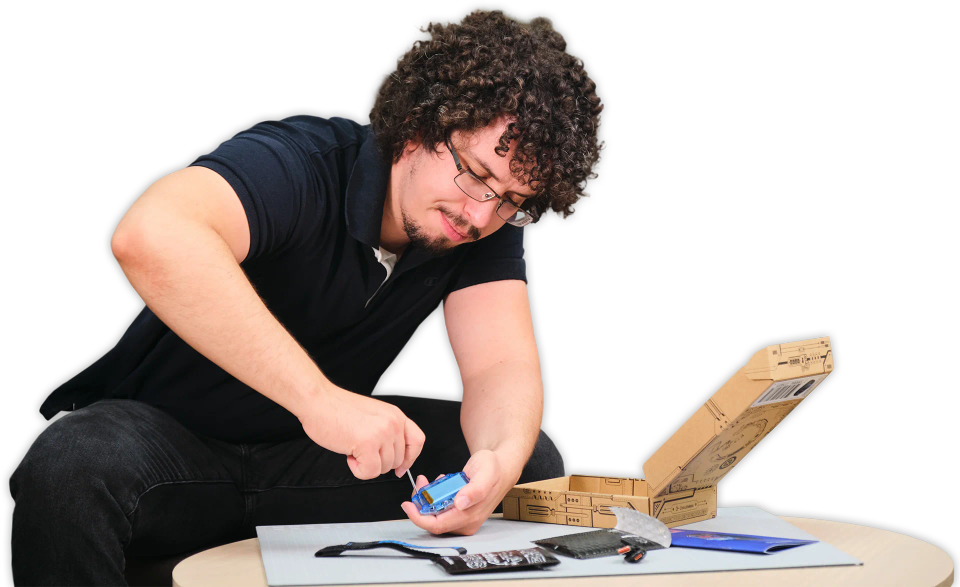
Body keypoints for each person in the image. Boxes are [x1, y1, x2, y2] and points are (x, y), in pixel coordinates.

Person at [9, 7, 604, 586]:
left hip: (309, 465)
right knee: (70, 464)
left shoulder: (479, 226)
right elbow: (151, 235)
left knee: (528, 459)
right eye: (475, 175)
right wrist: (321, 402)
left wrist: (496, 464)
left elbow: (501, 366)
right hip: (168, 448)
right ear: (419, 126)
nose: (479, 214)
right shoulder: (302, 163)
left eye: (511, 202)